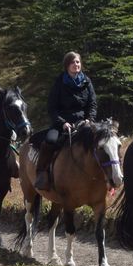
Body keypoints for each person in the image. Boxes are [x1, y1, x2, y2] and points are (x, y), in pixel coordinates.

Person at [34, 51, 97, 191]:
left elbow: (92, 104)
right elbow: (51, 107)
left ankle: (103, 175)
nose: (76, 64)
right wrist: (62, 123)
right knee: (50, 141)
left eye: (78, 62)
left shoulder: (87, 81)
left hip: (84, 122)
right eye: (73, 62)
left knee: (102, 140)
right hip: (62, 122)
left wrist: (89, 120)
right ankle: (42, 174)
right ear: (67, 65)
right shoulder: (59, 82)